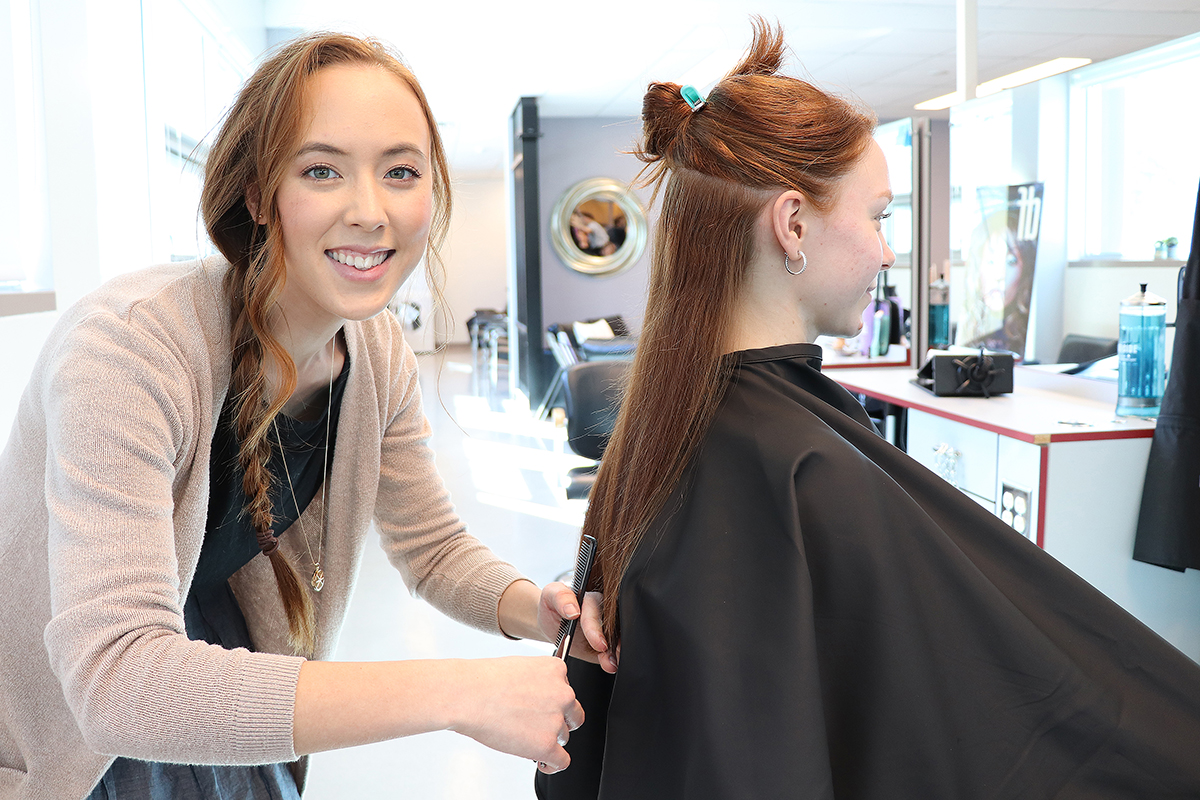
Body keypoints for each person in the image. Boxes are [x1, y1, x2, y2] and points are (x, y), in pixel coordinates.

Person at [537, 18, 1200, 800]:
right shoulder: (789, 466)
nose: (888, 251)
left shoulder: (675, 424)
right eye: (879, 216)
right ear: (792, 224)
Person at [0, 32, 616, 800]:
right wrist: (460, 693)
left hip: (219, 664)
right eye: (322, 170)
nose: (370, 211)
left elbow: (430, 548)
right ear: (260, 195)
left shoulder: (375, 350)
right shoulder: (129, 349)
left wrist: (540, 610)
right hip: (82, 732)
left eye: (400, 172)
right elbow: (117, 679)